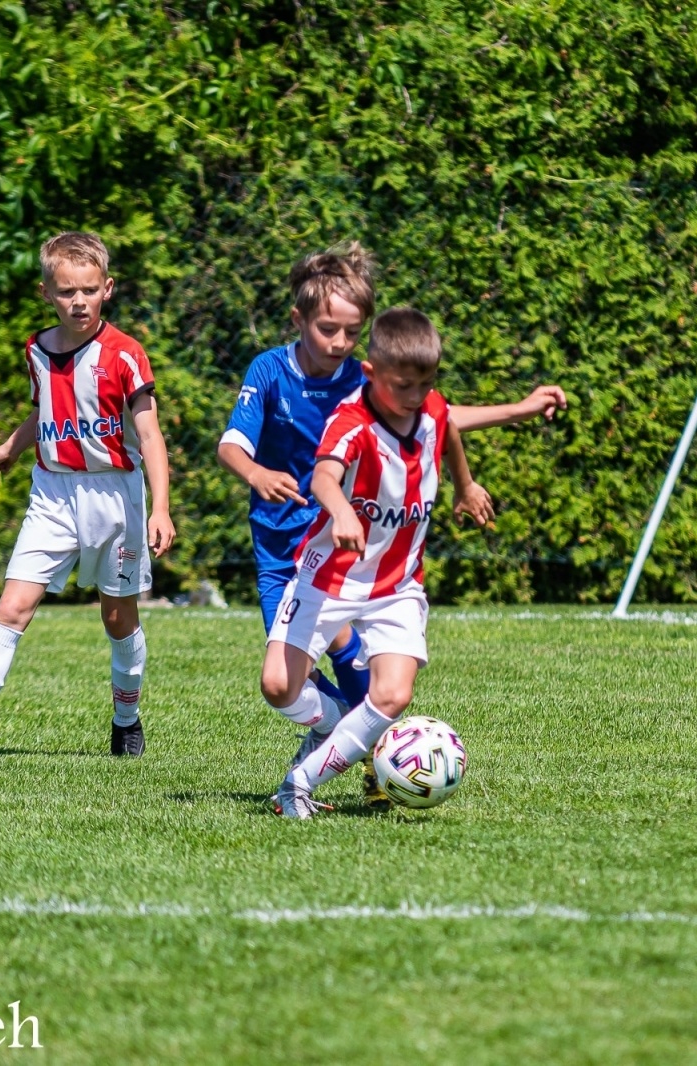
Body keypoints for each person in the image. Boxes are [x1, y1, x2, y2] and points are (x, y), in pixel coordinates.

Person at [216, 244, 565, 774]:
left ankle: (373, 764)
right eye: (328, 329)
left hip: (346, 544)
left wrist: (519, 410)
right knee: (290, 679)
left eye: (352, 332)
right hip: (281, 544)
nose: (340, 343)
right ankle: (339, 727)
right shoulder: (268, 370)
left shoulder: (365, 378)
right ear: (298, 319)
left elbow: (438, 414)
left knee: (350, 660)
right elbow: (230, 445)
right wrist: (256, 474)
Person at [0, 232, 175, 758]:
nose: (78, 301)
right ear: (46, 293)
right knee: (13, 606)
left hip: (115, 497)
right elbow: (47, 409)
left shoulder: (125, 354)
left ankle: (126, 719)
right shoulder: (36, 349)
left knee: (117, 617)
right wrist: (12, 447)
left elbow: (150, 435)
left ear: (107, 288)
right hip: (52, 494)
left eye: (89, 290)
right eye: (66, 291)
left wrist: (162, 509)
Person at [263, 308, 492, 817]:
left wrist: (465, 484)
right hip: (329, 577)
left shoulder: (430, 408)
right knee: (278, 687)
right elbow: (324, 476)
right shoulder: (352, 422)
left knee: (393, 694)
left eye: (426, 384)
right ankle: (337, 721)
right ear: (370, 373)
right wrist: (342, 510)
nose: (416, 396)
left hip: (397, 584)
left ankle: (300, 783)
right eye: (403, 386)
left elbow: (449, 426)